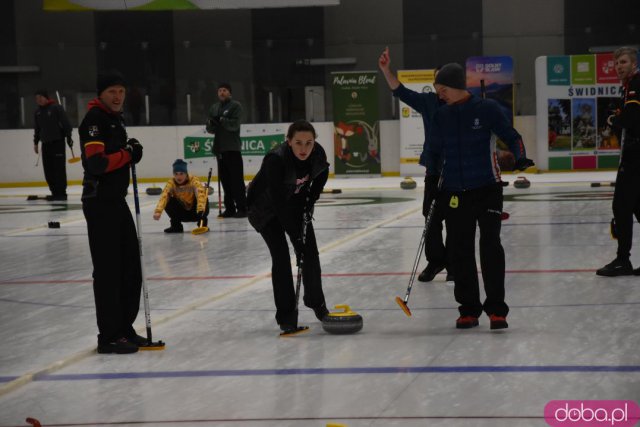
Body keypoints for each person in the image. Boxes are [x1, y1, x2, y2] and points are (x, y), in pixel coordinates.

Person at [425, 63, 534, 330]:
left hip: (487, 188)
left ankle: (497, 310)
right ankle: (469, 310)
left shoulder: (487, 109)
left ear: (456, 87)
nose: (440, 95)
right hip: (453, 191)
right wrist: (432, 185)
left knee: (490, 247)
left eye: (442, 90)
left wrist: (520, 157)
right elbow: (434, 152)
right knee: (460, 251)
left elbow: (512, 135)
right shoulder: (441, 116)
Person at [79, 70, 144, 354]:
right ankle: (109, 335)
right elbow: (96, 164)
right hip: (100, 204)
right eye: (112, 92)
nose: (118, 97)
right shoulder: (94, 121)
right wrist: (128, 154)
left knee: (130, 267)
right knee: (108, 271)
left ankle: (123, 328)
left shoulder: (115, 120)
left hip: (117, 201)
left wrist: (130, 150)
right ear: (101, 95)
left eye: (121, 91)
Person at [247, 120, 330, 335]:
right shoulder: (276, 160)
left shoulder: (317, 153)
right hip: (264, 209)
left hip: (294, 205)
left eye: (309, 143)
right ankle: (286, 316)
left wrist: (311, 199)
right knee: (282, 257)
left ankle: (317, 303)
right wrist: (296, 237)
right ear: (289, 141)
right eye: (298, 143)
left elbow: (322, 174)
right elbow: (277, 202)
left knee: (310, 253)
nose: (304, 148)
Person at [378, 47, 452, 283]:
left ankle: (455, 262)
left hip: (460, 171)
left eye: (445, 81)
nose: (440, 86)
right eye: (437, 80)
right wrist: (386, 70)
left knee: (457, 219)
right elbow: (400, 91)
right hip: (434, 170)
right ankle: (436, 261)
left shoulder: (464, 105)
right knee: (430, 216)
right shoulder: (428, 102)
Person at [596, 47, 640, 277]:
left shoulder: (635, 84)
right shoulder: (629, 86)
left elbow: (631, 119)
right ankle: (623, 258)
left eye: (623, 62)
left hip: (636, 156)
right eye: (616, 64)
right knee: (636, 206)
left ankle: (623, 260)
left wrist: (614, 119)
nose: (619, 67)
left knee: (622, 205)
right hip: (634, 153)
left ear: (633, 64)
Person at [206, 83, 247, 218]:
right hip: (220, 149)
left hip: (233, 148)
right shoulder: (214, 107)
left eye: (224, 90)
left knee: (236, 181)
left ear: (229, 93)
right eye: (220, 90)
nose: (222, 93)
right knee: (225, 181)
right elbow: (210, 128)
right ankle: (229, 208)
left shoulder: (235, 106)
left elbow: (234, 126)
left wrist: (222, 120)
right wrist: (212, 124)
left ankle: (242, 208)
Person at [33, 89, 73, 201]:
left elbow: (66, 124)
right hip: (45, 144)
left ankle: (61, 192)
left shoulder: (56, 108)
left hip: (57, 142)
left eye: (40, 97)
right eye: (36, 98)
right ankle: (54, 192)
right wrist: (36, 142)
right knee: (48, 170)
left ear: (46, 98)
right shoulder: (37, 112)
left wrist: (68, 137)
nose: (39, 100)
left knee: (58, 169)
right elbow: (37, 128)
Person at [153, 159, 210, 233]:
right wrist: (158, 211)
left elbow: (200, 194)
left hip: (197, 213)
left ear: (186, 173)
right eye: (176, 174)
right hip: (182, 213)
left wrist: (200, 210)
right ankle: (176, 226)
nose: (178, 177)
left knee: (204, 195)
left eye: (181, 173)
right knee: (169, 200)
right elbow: (164, 196)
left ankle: (202, 224)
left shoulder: (194, 180)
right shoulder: (171, 183)